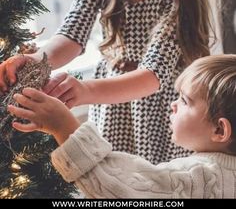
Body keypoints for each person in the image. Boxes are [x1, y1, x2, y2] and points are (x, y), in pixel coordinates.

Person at [0, 0, 221, 164]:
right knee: (110, 176)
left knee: (152, 181)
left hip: (158, 107)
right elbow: (72, 35)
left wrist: (85, 91)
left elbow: (153, 75)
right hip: (110, 104)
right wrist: (38, 60)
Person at [8, 54, 236, 199]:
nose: (173, 104)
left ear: (219, 130)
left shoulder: (197, 178)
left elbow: (117, 188)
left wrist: (64, 127)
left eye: (185, 101)